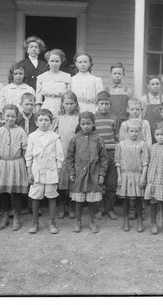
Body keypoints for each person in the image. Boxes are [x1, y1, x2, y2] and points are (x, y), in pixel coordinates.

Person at [67, 112, 108, 233]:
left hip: (93, 175)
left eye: (88, 123)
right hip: (79, 175)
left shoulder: (98, 139)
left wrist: (101, 174)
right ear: (79, 124)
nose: (86, 126)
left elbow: (104, 158)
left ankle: (91, 221)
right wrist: (71, 172)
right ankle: (78, 221)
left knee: (92, 200)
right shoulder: (75, 139)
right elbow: (69, 157)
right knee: (79, 201)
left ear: (93, 124)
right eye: (83, 124)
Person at [25, 109, 64, 234]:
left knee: (51, 196)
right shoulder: (32, 137)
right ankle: (35, 222)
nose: (43, 123)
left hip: (51, 171)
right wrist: (29, 171)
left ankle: (52, 222)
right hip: (37, 170)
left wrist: (58, 171)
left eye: (46, 120)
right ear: (36, 122)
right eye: (40, 120)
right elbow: (29, 155)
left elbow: (59, 156)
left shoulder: (55, 137)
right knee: (36, 197)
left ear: (51, 122)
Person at [0, 104, 28, 231]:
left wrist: (24, 163)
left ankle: (17, 217)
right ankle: (5, 216)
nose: (10, 119)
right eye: (7, 116)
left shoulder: (21, 131)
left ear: (17, 117)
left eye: (13, 116)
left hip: (17, 163)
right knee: (3, 192)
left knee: (16, 192)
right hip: (3, 163)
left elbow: (25, 149)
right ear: (3, 116)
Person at [115, 119, 149, 233]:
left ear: (140, 131)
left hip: (137, 174)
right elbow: (118, 162)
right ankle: (125, 220)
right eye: (131, 131)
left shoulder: (142, 144)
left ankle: (140, 221)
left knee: (138, 198)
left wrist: (143, 177)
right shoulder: (121, 145)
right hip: (125, 175)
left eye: (136, 131)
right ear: (127, 131)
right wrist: (119, 176)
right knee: (125, 199)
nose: (134, 133)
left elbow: (145, 162)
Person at [52, 91, 80, 219]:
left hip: (75, 153)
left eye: (71, 104)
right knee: (62, 181)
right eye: (66, 104)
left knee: (73, 181)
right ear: (62, 104)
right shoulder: (58, 118)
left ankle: (72, 206)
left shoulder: (79, 117)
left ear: (76, 104)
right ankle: (62, 205)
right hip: (61, 152)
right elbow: (52, 134)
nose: (69, 106)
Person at [94, 91, 120, 220]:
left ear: (110, 104)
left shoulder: (114, 118)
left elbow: (117, 136)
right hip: (97, 154)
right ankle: (99, 209)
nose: (104, 106)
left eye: (107, 104)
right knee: (98, 183)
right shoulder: (93, 119)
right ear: (96, 104)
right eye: (101, 104)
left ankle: (110, 208)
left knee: (111, 183)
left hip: (111, 153)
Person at [36, 49, 71, 116]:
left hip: (62, 107)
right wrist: (38, 111)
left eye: (57, 61)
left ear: (61, 62)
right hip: (46, 106)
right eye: (52, 61)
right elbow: (38, 98)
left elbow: (69, 96)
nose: (54, 64)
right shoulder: (41, 77)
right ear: (48, 62)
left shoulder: (67, 76)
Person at [140, 75, 163, 141]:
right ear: (148, 86)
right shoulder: (143, 99)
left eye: (157, 84)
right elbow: (140, 118)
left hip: (160, 132)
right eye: (152, 84)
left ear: (160, 85)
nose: (155, 86)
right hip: (147, 131)